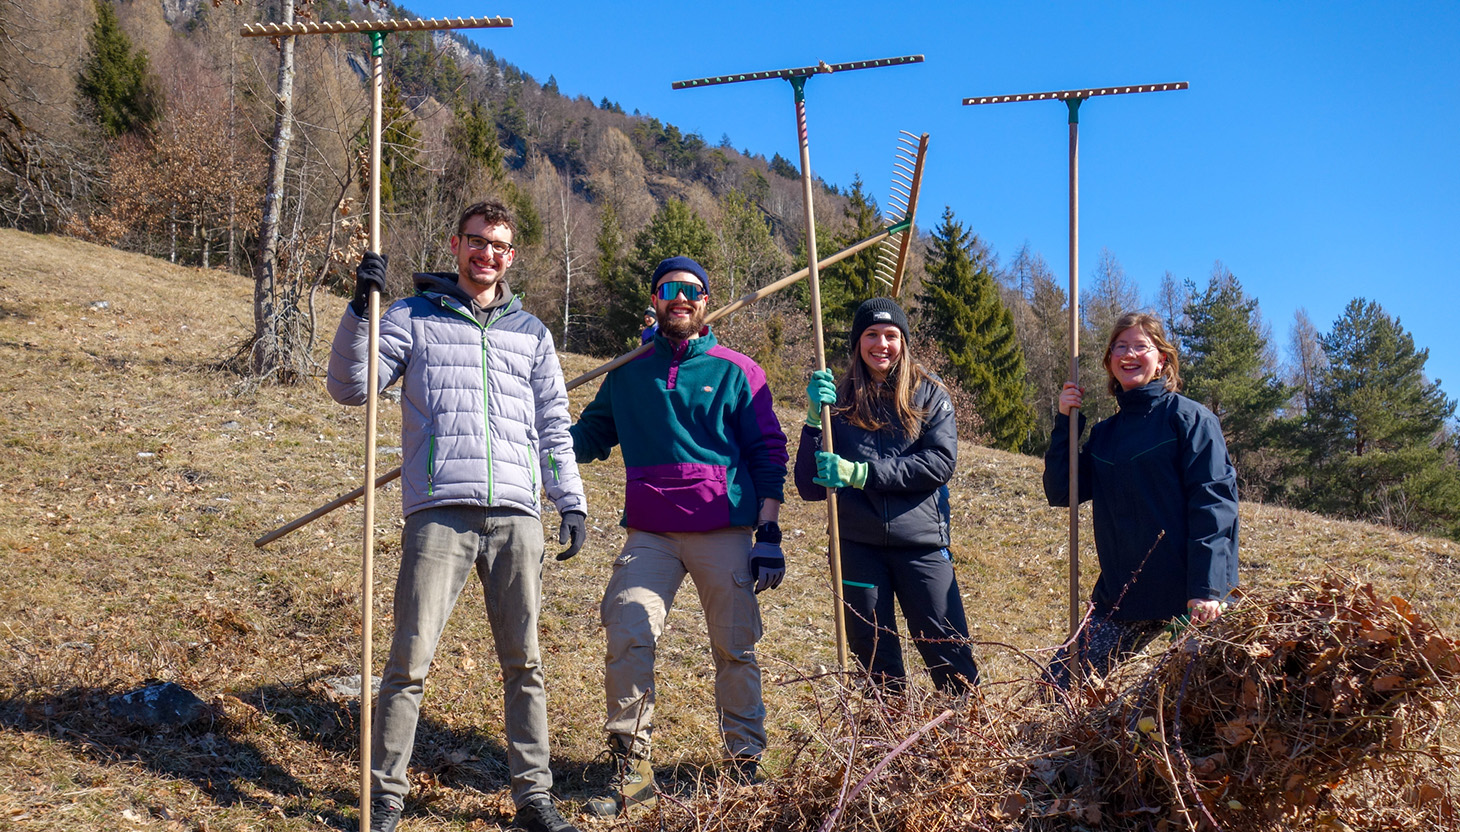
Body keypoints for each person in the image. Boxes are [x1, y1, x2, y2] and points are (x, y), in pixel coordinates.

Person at [327, 200, 587, 832]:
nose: (487, 254)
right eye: (477, 241)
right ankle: (386, 796)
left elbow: (553, 425)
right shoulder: (412, 317)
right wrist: (362, 308)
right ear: (455, 243)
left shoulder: (532, 332)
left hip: (517, 516)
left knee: (524, 663)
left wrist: (569, 499)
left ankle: (533, 799)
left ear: (511, 256)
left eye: (499, 245)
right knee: (409, 662)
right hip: (440, 511)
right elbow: (352, 386)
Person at [570, 255, 789, 816]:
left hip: (725, 529)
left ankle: (745, 766)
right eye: (670, 288)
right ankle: (630, 768)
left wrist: (768, 532)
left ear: (706, 302)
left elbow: (769, 453)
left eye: (693, 289)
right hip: (651, 532)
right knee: (627, 624)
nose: (681, 297)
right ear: (656, 299)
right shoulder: (627, 369)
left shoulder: (738, 370)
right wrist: (536, 440)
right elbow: (593, 435)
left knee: (735, 645)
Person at [1042, 311, 1239, 689]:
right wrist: (1067, 423)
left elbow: (1214, 505)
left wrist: (1208, 590)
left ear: (1161, 359)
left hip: (1191, 594)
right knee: (1058, 687)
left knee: (1200, 703)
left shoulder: (1190, 420)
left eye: (1140, 346)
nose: (1129, 354)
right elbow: (1061, 491)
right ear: (1110, 362)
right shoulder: (1104, 434)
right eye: (1120, 347)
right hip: (1125, 594)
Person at [795, 297, 981, 696]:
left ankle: (970, 739)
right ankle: (892, 750)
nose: (881, 344)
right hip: (856, 547)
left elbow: (939, 464)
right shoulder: (837, 401)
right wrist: (813, 419)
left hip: (921, 545)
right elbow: (809, 487)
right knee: (876, 659)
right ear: (857, 343)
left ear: (904, 341)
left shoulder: (930, 394)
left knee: (948, 650)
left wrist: (862, 474)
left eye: (891, 335)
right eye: (871, 334)